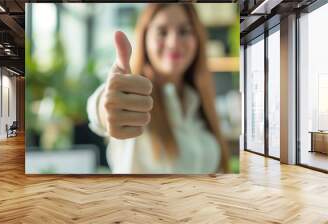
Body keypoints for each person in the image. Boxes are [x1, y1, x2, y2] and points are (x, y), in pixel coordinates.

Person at [87, 3, 230, 174]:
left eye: (184, 31)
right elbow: (102, 105)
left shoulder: (199, 101)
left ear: (197, 39)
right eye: (162, 32)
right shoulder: (134, 95)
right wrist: (105, 107)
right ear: (145, 38)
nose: (173, 43)